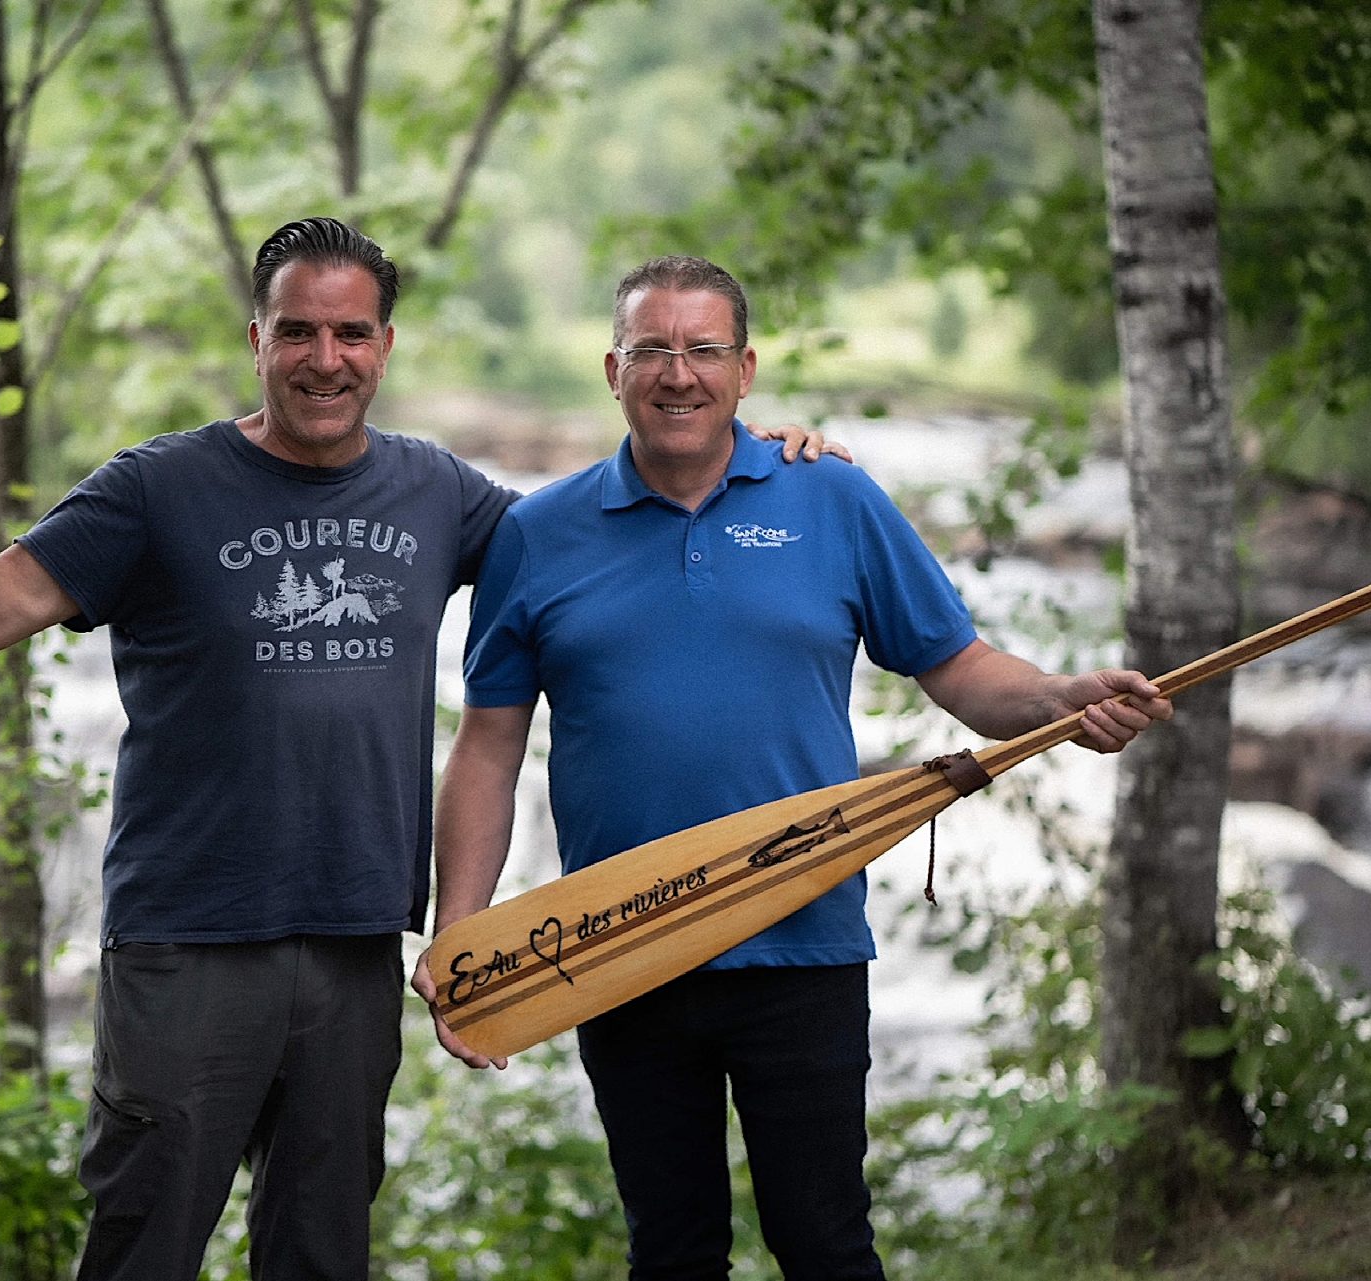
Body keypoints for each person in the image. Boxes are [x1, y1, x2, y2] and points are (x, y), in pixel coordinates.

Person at [0, 221, 838, 1281]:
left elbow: (603, 536)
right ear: (257, 337)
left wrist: (758, 456)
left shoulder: (439, 493)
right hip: (188, 940)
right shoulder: (156, 489)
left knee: (322, 1254)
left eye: (351, 333)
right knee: (146, 1242)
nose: (326, 359)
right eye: (299, 331)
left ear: (386, 345)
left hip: (358, 943)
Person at [412, 255, 1173, 1281]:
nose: (677, 373)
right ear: (611, 368)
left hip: (804, 941)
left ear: (745, 368)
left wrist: (1057, 699)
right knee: (671, 1254)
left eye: (703, 349)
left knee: (826, 1245)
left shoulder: (835, 499)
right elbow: (489, 746)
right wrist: (463, 930)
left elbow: (957, 667)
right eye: (652, 350)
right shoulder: (536, 536)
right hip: (624, 941)